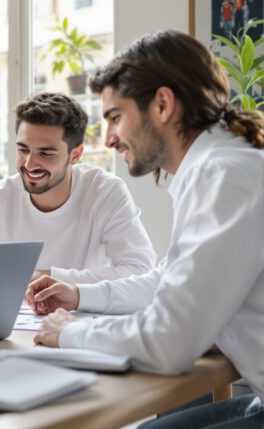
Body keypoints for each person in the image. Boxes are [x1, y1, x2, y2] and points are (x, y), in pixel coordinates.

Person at [30, 30, 263, 428]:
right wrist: (80, 295)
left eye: (115, 117)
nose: (109, 139)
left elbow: (168, 343)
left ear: (162, 104)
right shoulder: (222, 166)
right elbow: (168, 280)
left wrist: (70, 334)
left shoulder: (224, 175)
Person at [0, 92, 155, 284]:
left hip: (82, 315)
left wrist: (49, 277)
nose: (30, 164)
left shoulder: (105, 192)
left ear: (75, 155)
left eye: (46, 153)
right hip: (14, 317)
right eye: (23, 149)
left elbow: (141, 270)